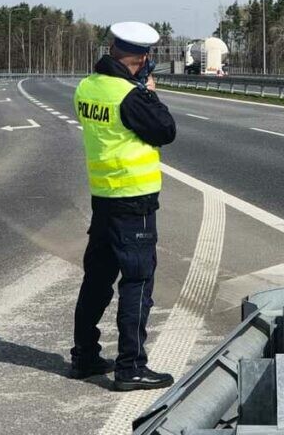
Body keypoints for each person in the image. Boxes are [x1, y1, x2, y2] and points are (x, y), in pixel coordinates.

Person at [70, 21, 178, 392]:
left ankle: (84, 356)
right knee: (137, 282)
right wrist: (149, 94)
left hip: (103, 198)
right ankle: (130, 366)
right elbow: (165, 129)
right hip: (134, 201)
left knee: (97, 279)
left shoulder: (87, 86)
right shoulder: (130, 96)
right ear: (142, 57)